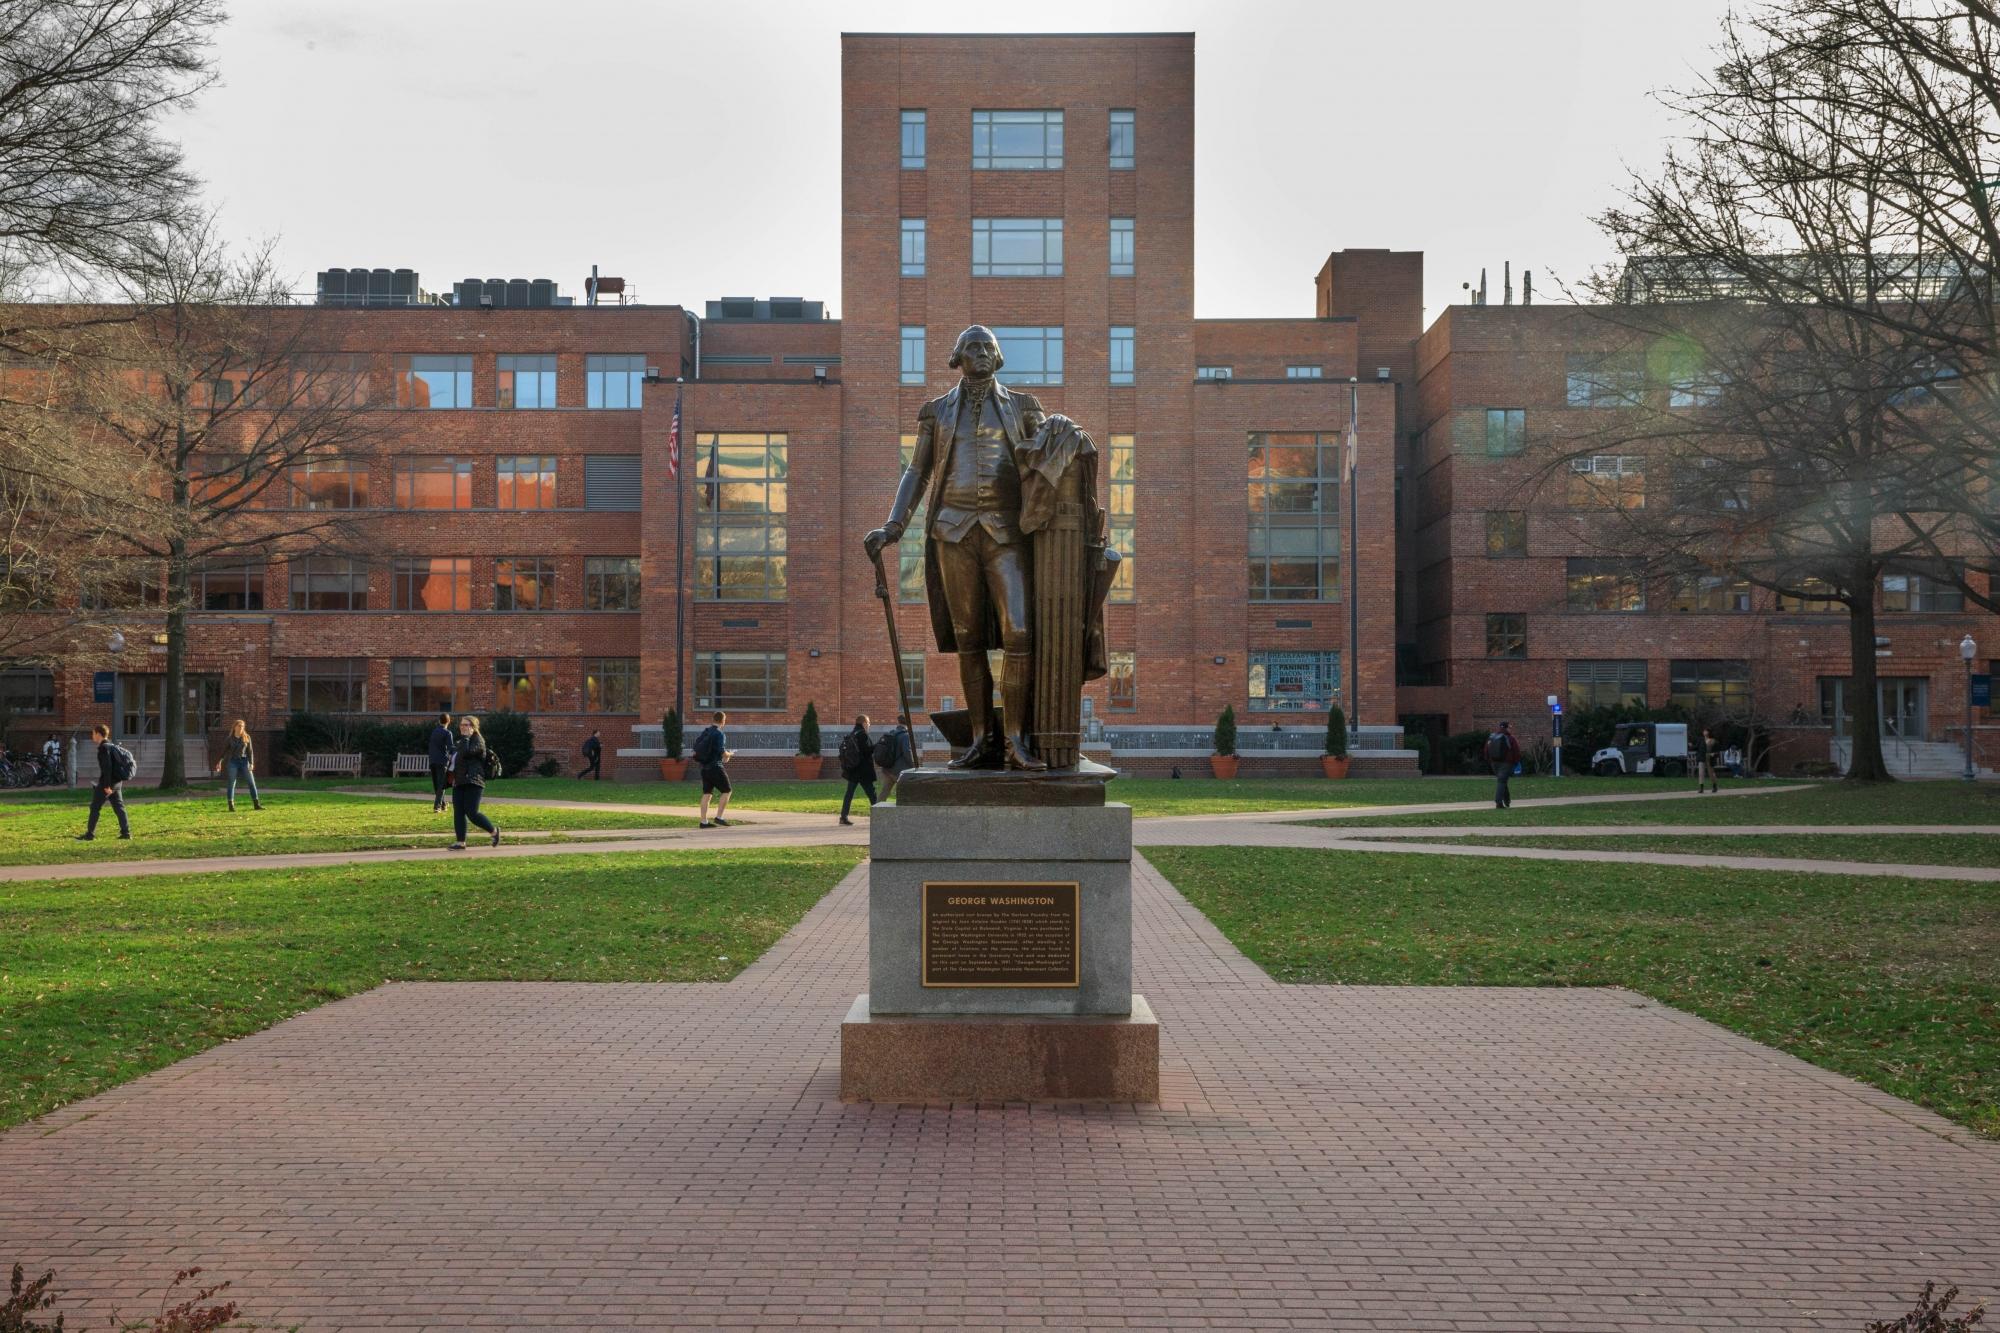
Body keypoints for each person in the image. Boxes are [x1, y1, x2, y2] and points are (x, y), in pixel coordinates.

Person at [448, 714, 501, 849]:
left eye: (466, 725)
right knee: (458, 812)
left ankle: (494, 831)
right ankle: (460, 842)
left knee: (472, 813)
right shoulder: (461, 742)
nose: (462, 727)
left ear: (473, 727)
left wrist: (465, 738)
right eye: (461, 724)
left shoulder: (478, 741)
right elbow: (457, 759)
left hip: (473, 781)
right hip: (459, 781)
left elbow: (468, 753)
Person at [75, 723, 131, 841]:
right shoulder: (110, 746)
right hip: (117, 782)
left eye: (93, 733)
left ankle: (90, 834)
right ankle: (126, 833)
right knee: (119, 807)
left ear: (99, 734)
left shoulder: (103, 748)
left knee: (95, 807)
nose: (92, 736)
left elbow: (107, 768)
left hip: (107, 783)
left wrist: (106, 786)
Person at [693, 710, 734, 828]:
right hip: (715, 767)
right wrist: (730, 754)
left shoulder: (706, 732)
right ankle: (719, 817)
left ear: (713, 719)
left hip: (704, 768)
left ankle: (703, 821)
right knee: (727, 791)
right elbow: (722, 752)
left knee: (707, 793)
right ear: (723, 721)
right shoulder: (719, 734)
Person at [212, 718, 263, 812]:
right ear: (234, 727)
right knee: (231, 783)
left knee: (251, 783)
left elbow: (250, 752)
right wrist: (219, 762)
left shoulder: (247, 737)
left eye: (243, 726)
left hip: (244, 761)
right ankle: (231, 805)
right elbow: (224, 752)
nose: (241, 728)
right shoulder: (229, 739)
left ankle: (256, 804)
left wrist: (251, 763)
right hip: (233, 762)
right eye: (239, 726)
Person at [838, 714, 878, 826]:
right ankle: (879, 817)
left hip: (853, 770)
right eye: (869, 723)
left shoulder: (853, 733)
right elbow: (866, 751)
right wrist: (876, 745)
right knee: (872, 794)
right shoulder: (863, 735)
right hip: (863, 771)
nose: (869, 725)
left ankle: (843, 816)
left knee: (849, 794)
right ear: (864, 723)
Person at [876, 713, 915, 797]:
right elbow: (907, 752)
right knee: (906, 792)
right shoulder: (905, 736)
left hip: (888, 768)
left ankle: (876, 808)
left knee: (885, 791)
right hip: (898, 771)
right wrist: (913, 765)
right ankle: (903, 809)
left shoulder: (892, 733)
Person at [1485, 720, 1521, 810]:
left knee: (1502, 781)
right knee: (1502, 781)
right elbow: (1516, 752)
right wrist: (1515, 763)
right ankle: (1499, 802)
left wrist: (1490, 761)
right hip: (1506, 763)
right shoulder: (1510, 738)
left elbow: (1486, 750)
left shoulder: (1492, 737)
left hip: (1494, 763)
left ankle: (1507, 800)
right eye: (1509, 727)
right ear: (1507, 728)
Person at [427, 711, 453, 812]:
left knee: (437, 785)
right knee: (441, 784)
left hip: (433, 760)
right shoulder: (448, 733)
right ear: (449, 721)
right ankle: (437, 806)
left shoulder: (434, 732)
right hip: (442, 761)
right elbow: (450, 748)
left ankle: (443, 804)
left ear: (439, 721)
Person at [1694, 726, 1720, 793]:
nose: (1704, 732)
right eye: (1704, 731)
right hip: (1702, 758)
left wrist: (1713, 754)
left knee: (1711, 773)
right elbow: (1696, 747)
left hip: (1709, 759)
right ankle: (1701, 788)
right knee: (1701, 773)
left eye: (1705, 731)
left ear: (1709, 732)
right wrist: (1690, 746)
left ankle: (1714, 786)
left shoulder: (1714, 741)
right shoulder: (1700, 739)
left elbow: (1717, 751)